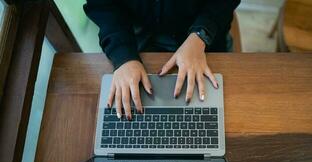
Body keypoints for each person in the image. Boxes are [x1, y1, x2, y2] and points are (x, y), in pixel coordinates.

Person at [84, 0, 240, 120]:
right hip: (134, 37)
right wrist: (124, 56)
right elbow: (102, 5)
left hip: (204, 37)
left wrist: (201, 34)